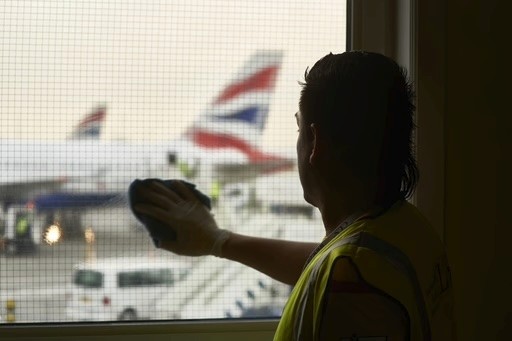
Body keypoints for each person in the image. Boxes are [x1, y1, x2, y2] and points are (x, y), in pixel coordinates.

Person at [132, 51, 456, 340]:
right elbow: (321, 264)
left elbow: (338, 274)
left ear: (315, 143)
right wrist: (218, 241)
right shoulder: (403, 230)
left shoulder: (353, 282)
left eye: (299, 128)